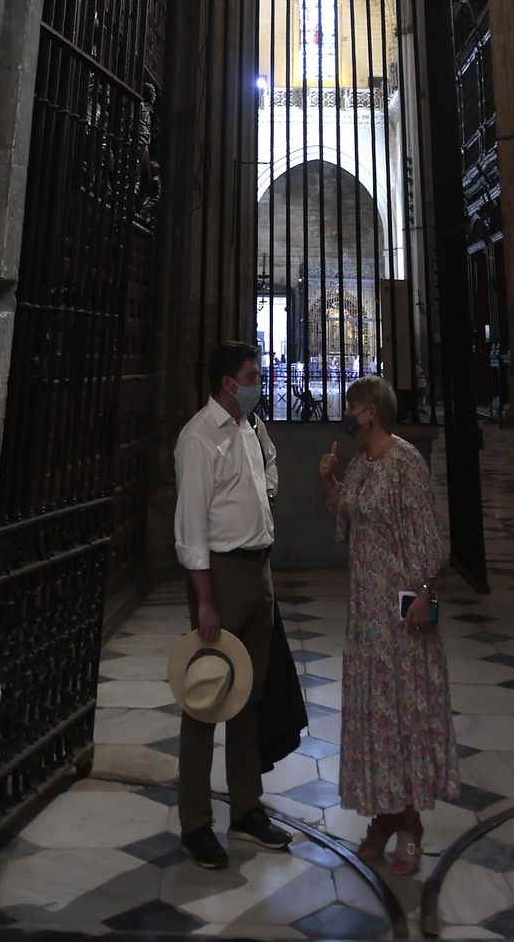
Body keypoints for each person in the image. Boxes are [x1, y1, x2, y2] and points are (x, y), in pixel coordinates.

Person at [318, 375, 459, 875]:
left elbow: (424, 530)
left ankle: (411, 823)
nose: (347, 414)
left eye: (352, 406)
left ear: (370, 411)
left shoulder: (404, 462)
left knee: (404, 711)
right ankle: (382, 815)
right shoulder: (361, 464)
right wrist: (330, 480)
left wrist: (427, 590)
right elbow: (346, 510)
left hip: (401, 608)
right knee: (375, 715)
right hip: (365, 612)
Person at [172, 340, 293, 870]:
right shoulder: (200, 438)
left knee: (250, 693)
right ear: (227, 382)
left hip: (256, 570)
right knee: (206, 697)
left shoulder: (249, 427)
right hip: (219, 577)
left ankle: (246, 806)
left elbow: (267, 477)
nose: (257, 382)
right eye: (251, 375)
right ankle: (196, 822)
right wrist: (205, 600)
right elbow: (191, 529)